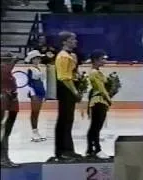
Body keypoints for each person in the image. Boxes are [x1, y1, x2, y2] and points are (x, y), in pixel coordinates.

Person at [52, 31, 82, 162]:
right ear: (64, 41)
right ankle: (64, 150)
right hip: (65, 90)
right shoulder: (64, 56)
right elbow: (64, 77)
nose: (75, 41)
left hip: (67, 89)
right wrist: (75, 91)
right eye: (72, 39)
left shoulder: (70, 56)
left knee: (67, 119)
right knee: (65, 119)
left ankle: (66, 149)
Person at [86, 50, 111, 159]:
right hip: (98, 101)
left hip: (100, 101)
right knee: (95, 127)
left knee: (95, 127)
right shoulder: (94, 73)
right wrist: (109, 99)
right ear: (95, 60)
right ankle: (96, 149)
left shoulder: (97, 72)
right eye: (102, 59)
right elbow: (101, 88)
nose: (104, 61)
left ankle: (91, 149)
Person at [0, 52, 20, 167]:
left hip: (11, 105)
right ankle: (3, 159)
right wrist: (13, 61)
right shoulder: (3, 69)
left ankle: (4, 158)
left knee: (6, 133)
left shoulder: (7, 72)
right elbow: (5, 71)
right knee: (3, 133)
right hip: (4, 105)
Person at [24, 50, 47, 142]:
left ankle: (36, 131)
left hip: (40, 91)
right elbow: (28, 83)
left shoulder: (39, 68)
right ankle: (34, 132)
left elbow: (42, 81)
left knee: (37, 113)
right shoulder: (30, 69)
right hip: (35, 92)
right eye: (36, 58)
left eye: (39, 58)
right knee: (34, 112)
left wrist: (44, 93)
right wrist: (32, 93)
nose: (38, 60)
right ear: (32, 60)